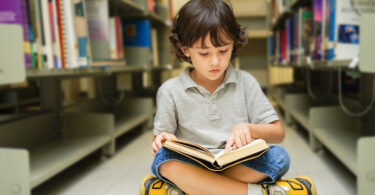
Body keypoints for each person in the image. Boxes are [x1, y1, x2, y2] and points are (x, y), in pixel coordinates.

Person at [140, 0, 316, 194]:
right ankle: (257, 192)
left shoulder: (246, 82)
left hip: (236, 163)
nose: (215, 61)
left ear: (233, 44)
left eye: (223, 51)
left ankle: (192, 188)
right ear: (185, 49)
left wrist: (248, 128)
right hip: (193, 162)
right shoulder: (170, 89)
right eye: (204, 53)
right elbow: (161, 140)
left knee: (279, 157)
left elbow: (278, 133)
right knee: (163, 160)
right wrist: (163, 139)